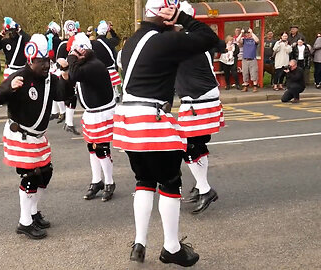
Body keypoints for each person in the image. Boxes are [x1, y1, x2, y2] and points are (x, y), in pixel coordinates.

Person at [114, 0, 218, 266]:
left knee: (144, 181)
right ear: (166, 13)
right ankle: (171, 247)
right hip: (152, 119)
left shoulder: (133, 41)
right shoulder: (164, 41)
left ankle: (140, 243)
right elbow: (209, 38)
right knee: (170, 183)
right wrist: (182, 17)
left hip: (129, 120)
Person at [0, 34, 74, 240]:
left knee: (45, 173)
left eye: (48, 60)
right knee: (30, 176)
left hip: (38, 137)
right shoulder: (20, 76)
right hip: (21, 135)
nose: (46, 65)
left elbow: (64, 95)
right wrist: (10, 89)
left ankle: (33, 213)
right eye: (41, 61)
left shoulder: (50, 79)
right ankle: (24, 222)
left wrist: (65, 74)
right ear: (30, 60)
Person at [174, 16, 223, 214]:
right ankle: (200, 185)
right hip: (203, 96)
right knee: (198, 145)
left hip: (197, 99)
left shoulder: (182, 42)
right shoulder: (194, 39)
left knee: (188, 146)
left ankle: (205, 189)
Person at [60, 33, 117, 201]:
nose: (73, 56)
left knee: (101, 149)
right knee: (92, 149)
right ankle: (96, 180)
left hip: (102, 112)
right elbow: (71, 79)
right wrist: (64, 70)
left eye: (75, 52)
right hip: (92, 113)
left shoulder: (95, 65)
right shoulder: (85, 65)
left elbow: (76, 74)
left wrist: (70, 58)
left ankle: (109, 182)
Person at [55, 20, 81, 134]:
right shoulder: (64, 45)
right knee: (70, 97)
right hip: (67, 73)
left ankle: (68, 121)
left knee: (71, 97)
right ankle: (67, 121)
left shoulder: (67, 43)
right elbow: (58, 61)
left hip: (73, 72)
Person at [93, 20, 122, 101]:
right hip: (111, 69)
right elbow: (117, 39)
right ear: (106, 32)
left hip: (99, 70)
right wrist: (111, 31)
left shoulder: (93, 44)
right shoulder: (110, 42)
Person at [239, 28, 260, 92]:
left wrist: (252, 33)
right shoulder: (244, 40)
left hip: (252, 59)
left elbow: (257, 40)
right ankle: (245, 86)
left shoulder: (253, 40)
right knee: (245, 73)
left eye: (248, 33)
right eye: (246, 33)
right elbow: (238, 40)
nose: (247, 35)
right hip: (245, 59)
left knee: (254, 73)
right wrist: (241, 33)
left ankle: (255, 86)